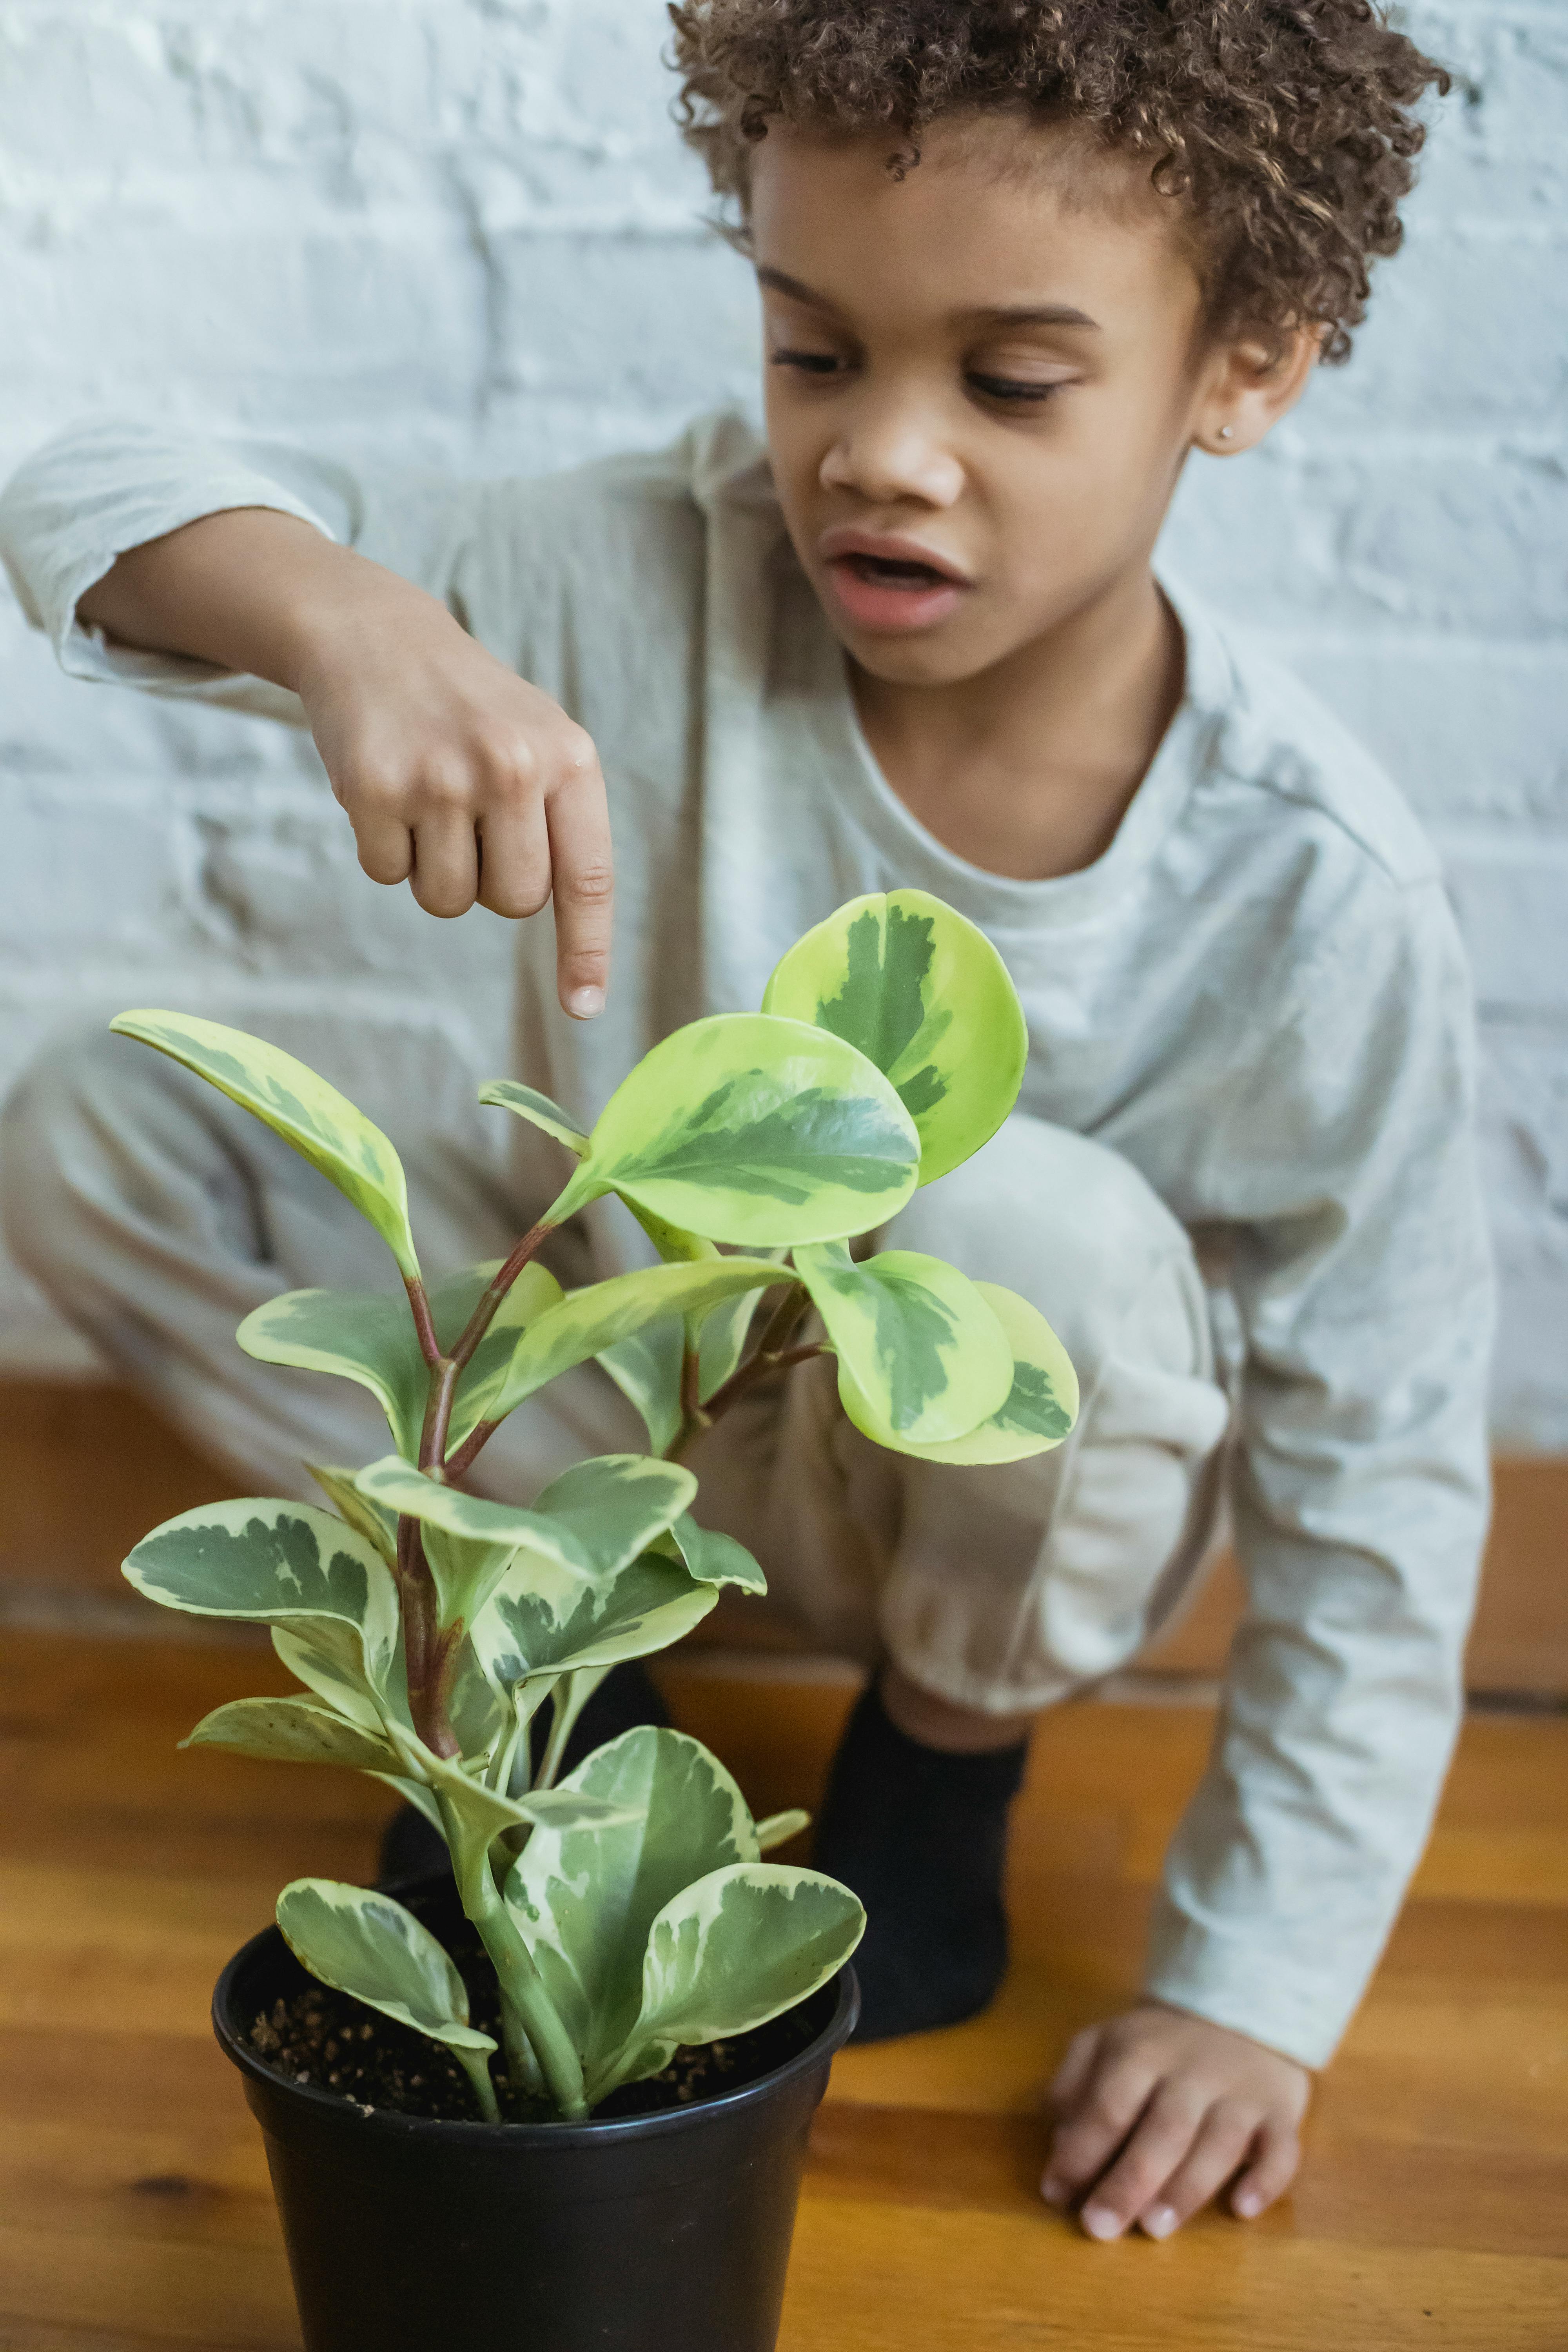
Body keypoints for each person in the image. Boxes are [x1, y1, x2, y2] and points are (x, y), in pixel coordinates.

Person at [0, 0, 1488, 2248]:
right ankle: (561, 1673)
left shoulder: (1305, 893)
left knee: (1016, 1229)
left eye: (1008, 381)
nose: (882, 455)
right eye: (815, 354)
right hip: (612, 1406)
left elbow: (1383, 1472)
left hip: (965, 1511)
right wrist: (345, 620)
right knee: (91, 1120)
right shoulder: (653, 566)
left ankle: (933, 1792)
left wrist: (1255, 1993)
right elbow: (79, 492)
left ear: (1246, 365)